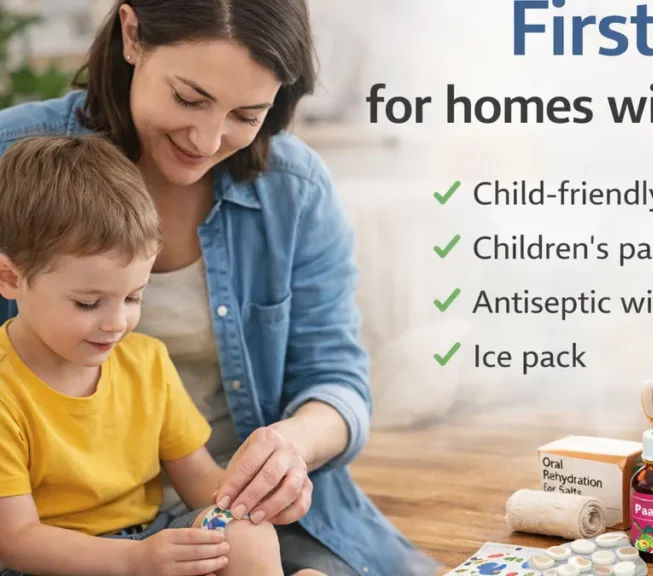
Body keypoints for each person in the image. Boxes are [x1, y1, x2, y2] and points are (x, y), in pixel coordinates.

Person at [0, 1, 435, 575]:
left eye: (247, 114)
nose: (207, 140)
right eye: (188, 98)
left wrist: (290, 450)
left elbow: (335, 376)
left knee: (263, 542)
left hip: (201, 509)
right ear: (132, 36)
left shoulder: (294, 189)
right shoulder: (19, 161)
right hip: (59, 534)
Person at [0, 134, 325, 576]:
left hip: (152, 539)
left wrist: (254, 498)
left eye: (134, 297)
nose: (117, 323)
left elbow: (200, 482)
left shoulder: (146, 361)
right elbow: (18, 542)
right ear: (10, 277)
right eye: (88, 303)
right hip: (56, 564)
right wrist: (134, 560)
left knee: (247, 535)